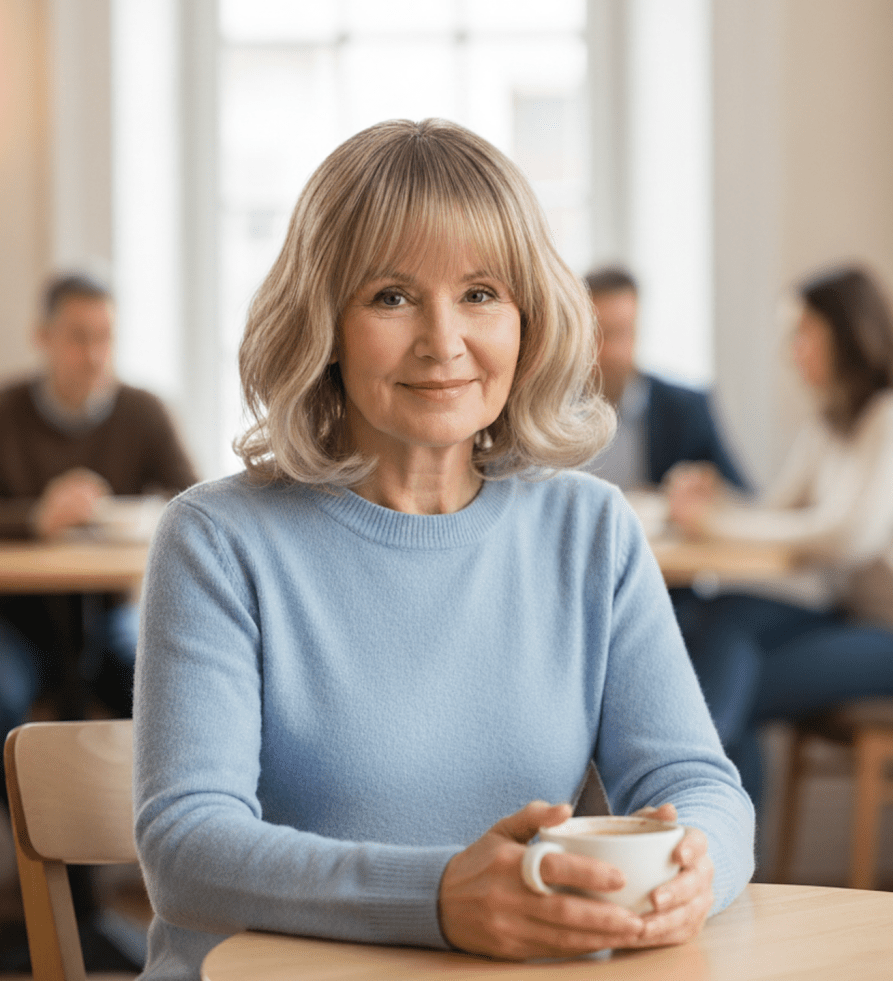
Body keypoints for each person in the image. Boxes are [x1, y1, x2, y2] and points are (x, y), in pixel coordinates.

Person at [133, 119, 753, 980]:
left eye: (480, 294)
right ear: (324, 323)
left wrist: (694, 870)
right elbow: (186, 850)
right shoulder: (216, 539)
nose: (443, 340)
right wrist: (436, 900)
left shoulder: (590, 530)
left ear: (527, 319)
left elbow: (699, 786)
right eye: (391, 297)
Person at [668, 265, 893, 806]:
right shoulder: (830, 425)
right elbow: (772, 514)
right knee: (721, 615)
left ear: (845, 335)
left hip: (884, 633)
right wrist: (714, 497)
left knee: (726, 690)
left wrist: (718, 522)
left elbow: (847, 536)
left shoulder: (886, 417)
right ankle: (710, 815)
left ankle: (692, 794)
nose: (792, 353)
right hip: (849, 617)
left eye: (802, 335)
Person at [0, 271, 199, 732]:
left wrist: (129, 516)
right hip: (17, 620)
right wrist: (36, 519)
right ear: (43, 337)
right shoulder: (7, 412)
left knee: (165, 688)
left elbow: (193, 501)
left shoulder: (143, 412)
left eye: (105, 337)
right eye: (78, 338)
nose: (93, 355)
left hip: (112, 614)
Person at [582, 266, 748, 491]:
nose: (612, 351)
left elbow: (743, 495)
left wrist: (707, 491)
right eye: (600, 334)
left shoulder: (686, 409)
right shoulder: (550, 410)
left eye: (623, 332)